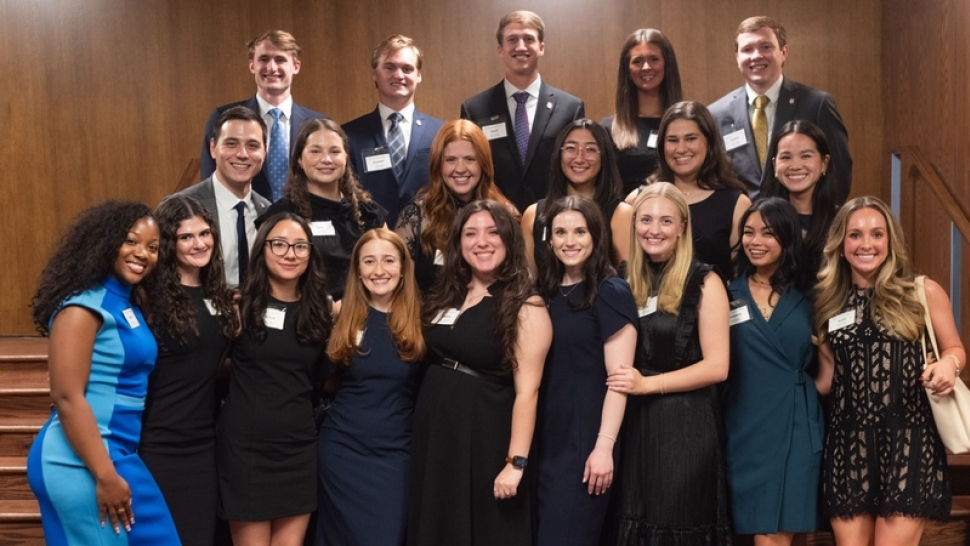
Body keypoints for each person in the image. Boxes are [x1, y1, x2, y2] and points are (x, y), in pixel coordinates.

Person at [813, 196, 964, 546]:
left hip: (909, 443)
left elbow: (955, 348)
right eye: (855, 235)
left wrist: (949, 364)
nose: (866, 244)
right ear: (840, 244)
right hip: (848, 448)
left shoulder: (922, 291)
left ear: (890, 241)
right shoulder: (827, 302)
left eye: (877, 234)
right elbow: (827, 380)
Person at [27, 201, 180, 544]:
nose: (142, 253)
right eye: (131, 241)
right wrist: (105, 475)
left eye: (152, 247)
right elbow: (67, 397)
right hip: (80, 461)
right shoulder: (82, 307)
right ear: (106, 243)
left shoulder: (126, 304)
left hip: (118, 454)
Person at [408, 200, 552, 546]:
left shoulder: (525, 304)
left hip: (484, 436)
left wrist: (515, 463)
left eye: (493, 232)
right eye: (471, 234)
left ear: (509, 240)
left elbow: (528, 392)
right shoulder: (447, 293)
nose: (482, 242)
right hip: (437, 432)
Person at [605, 182, 732, 545]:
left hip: (686, 425)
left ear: (682, 227)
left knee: (677, 521)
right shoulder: (623, 279)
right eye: (645, 219)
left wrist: (648, 384)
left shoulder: (705, 281)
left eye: (665, 221)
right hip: (635, 424)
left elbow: (718, 366)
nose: (654, 230)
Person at [217, 212, 332, 546]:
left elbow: (321, 377)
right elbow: (214, 369)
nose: (289, 254)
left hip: (298, 448)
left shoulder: (321, 311)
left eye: (300, 246)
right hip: (246, 450)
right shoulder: (238, 306)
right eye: (279, 244)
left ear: (310, 254)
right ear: (262, 249)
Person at [534, 196, 637, 546]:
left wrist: (603, 447)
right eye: (560, 232)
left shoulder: (611, 291)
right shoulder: (545, 292)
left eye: (580, 231)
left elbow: (619, 380)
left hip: (585, 443)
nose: (570, 241)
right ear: (549, 239)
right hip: (547, 438)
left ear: (596, 236)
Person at [139, 197, 239, 546]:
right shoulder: (147, 297)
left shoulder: (220, 296)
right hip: (155, 443)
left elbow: (209, 364)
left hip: (203, 447)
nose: (199, 244)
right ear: (169, 242)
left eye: (205, 233)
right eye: (186, 237)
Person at [315, 228, 425, 545]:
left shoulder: (423, 319)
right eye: (369, 261)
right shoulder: (341, 315)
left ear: (403, 268)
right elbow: (323, 377)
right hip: (341, 451)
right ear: (358, 271)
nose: (379, 270)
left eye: (388, 260)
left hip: (395, 455)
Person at [724, 198, 823, 545]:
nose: (756, 241)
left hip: (796, 425)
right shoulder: (726, 293)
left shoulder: (812, 295)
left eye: (767, 233)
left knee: (774, 537)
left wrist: (806, 398)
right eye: (748, 232)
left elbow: (828, 369)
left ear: (787, 237)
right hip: (744, 429)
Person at [708, 16, 851, 201]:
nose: (756, 56)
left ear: (784, 52)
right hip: (743, 219)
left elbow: (839, 175)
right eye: (747, 49)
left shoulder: (817, 105)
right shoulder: (716, 114)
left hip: (803, 218)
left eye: (766, 47)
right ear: (737, 57)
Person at [460, 10, 585, 211]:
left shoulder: (570, 108)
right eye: (512, 40)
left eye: (528, 39)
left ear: (541, 47)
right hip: (494, 218)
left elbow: (578, 170)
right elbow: (469, 168)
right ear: (500, 49)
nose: (520, 46)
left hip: (553, 217)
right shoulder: (475, 109)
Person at [258, 119, 387, 302]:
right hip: (306, 313)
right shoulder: (281, 216)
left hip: (363, 310)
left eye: (335, 151)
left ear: (346, 158)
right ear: (299, 160)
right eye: (315, 151)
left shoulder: (369, 212)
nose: (326, 159)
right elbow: (266, 279)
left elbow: (390, 265)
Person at [626, 101, 751, 281]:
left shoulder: (737, 204)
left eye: (691, 138)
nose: (681, 149)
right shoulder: (637, 200)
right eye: (672, 140)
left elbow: (741, 278)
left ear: (709, 142)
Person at [200, 30, 328, 202]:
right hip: (242, 216)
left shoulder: (320, 124)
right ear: (252, 65)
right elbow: (209, 182)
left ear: (296, 67)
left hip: (304, 217)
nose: (272, 67)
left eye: (280, 59)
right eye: (264, 59)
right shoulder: (223, 117)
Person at [395, 120, 517, 293]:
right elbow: (400, 289)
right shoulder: (415, 216)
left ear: (484, 163)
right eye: (450, 160)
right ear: (438, 165)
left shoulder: (506, 214)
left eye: (470, 159)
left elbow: (518, 281)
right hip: (429, 310)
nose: (460, 169)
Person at [342, 34, 445, 225]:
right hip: (371, 237)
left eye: (407, 69)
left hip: (428, 236)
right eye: (389, 67)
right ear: (375, 73)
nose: (399, 75)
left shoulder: (440, 132)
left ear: (418, 75)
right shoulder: (349, 135)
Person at [172, 106, 271, 287]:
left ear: (265, 151)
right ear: (213, 148)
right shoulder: (178, 206)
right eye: (231, 144)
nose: (242, 154)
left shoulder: (269, 211)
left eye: (252, 145)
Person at [522, 119, 633, 274]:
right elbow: (527, 282)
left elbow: (627, 280)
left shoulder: (621, 214)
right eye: (571, 148)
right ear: (559, 154)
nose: (579, 158)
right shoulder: (533, 214)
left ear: (604, 156)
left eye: (590, 150)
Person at [602, 28, 683, 194]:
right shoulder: (609, 129)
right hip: (625, 209)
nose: (646, 67)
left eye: (654, 59)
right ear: (627, 69)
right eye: (637, 61)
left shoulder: (686, 125)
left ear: (667, 65)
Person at [762, 119, 842, 273]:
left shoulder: (841, 221)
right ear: (774, 165)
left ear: (824, 163)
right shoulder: (761, 219)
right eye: (786, 157)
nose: (795, 166)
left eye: (805, 156)